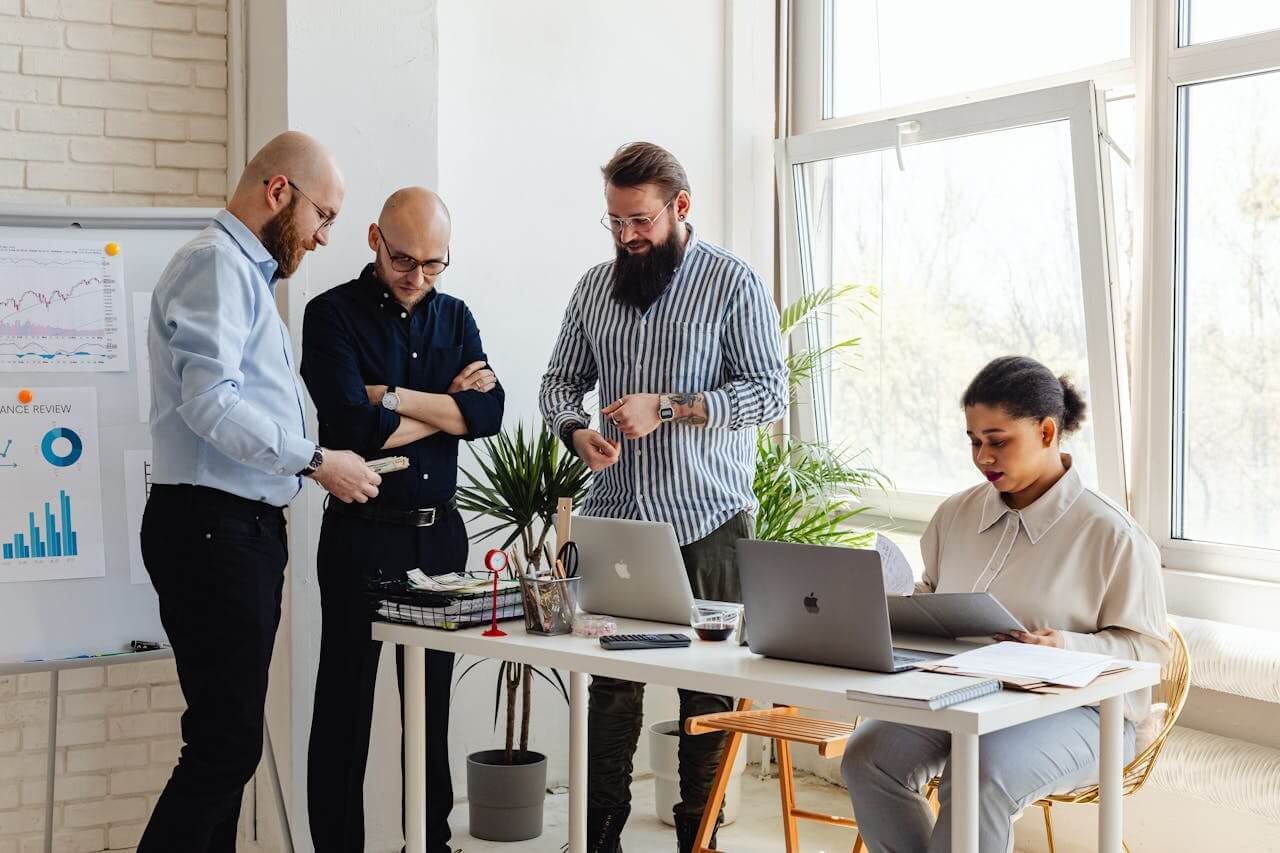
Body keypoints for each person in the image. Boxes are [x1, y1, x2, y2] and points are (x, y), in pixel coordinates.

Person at [539, 142, 788, 852]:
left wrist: (670, 407)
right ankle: (598, 839)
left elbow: (769, 392)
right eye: (614, 221)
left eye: (639, 220)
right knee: (611, 690)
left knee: (707, 694)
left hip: (710, 520)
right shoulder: (593, 288)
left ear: (680, 207)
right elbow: (558, 382)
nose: (626, 236)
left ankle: (696, 842)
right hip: (619, 521)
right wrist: (575, 429)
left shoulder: (733, 282)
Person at [140, 131, 382, 853]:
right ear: (280, 193)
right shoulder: (216, 265)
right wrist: (316, 460)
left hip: (230, 531)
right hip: (214, 529)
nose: (325, 236)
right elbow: (208, 402)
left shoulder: (245, 275)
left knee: (224, 739)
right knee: (226, 745)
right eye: (324, 216)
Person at [841, 355, 1170, 853]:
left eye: (997, 442)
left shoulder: (1112, 535)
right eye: (974, 441)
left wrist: (1062, 644)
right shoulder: (955, 513)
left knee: (979, 774)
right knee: (868, 756)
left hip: (1083, 713)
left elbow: (1149, 654)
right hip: (959, 695)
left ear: (1045, 432)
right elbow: (932, 598)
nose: (982, 457)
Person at [302, 187, 504, 853]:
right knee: (344, 709)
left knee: (429, 710)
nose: (418, 277)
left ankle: (429, 844)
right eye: (404, 260)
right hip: (361, 532)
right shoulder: (328, 315)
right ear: (372, 239)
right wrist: (445, 406)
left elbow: (489, 415)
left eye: (435, 263)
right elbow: (347, 428)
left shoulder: (457, 316)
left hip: (439, 535)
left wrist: (392, 397)